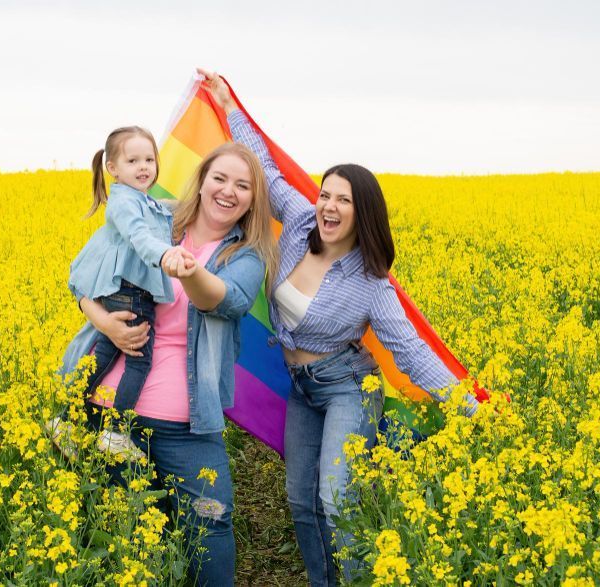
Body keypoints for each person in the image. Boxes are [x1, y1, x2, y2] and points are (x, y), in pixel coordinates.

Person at [200, 70, 477, 586]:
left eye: (342, 200)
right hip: (302, 389)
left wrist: (471, 408)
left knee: (336, 500)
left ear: (361, 213)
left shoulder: (373, 283)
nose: (327, 206)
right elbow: (265, 169)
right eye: (326, 194)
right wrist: (226, 104)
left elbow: (411, 352)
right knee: (300, 502)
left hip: (347, 386)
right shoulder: (302, 220)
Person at [61, 142, 278, 587]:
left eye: (243, 185)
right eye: (220, 178)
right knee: (118, 533)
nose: (228, 191)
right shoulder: (150, 218)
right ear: (201, 182)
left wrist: (187, 268)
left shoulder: (248, 255)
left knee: (211, 521)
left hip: (187, 422)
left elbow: (224, 300)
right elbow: (83, 276)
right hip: (111, 411)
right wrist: (106, 322)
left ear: (253, 199)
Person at [50, 125, 188, 459]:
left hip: (121, 293)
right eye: (133, 160)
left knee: (104, 356)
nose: (144, 167)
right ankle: (116, 433)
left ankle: (67, 418)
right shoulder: (125, 205)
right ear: (113, 168)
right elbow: (140, 236)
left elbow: (162, 210)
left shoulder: (137, 199)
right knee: (139, 363)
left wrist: (195, 200)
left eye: (149, 160)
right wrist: (164, 254)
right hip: (133, 294)